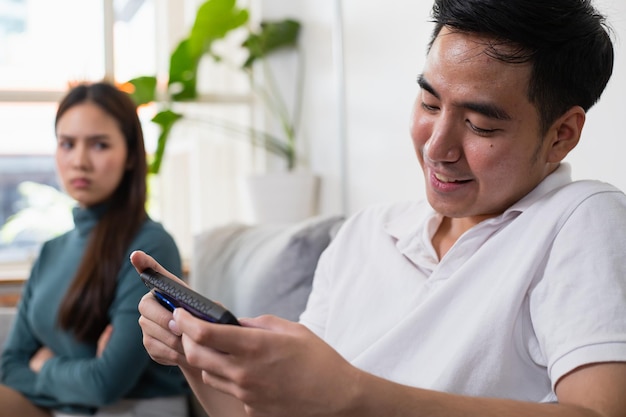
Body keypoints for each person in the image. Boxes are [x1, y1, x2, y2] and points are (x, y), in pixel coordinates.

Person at [131, 0, 626, 416]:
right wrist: (195, 356)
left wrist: (352, 393)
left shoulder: (581, 218)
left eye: (480, 125)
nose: (437, 148)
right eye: (430, 105)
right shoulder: (367, 232)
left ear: (562, 134)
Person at [0, 81, 190, 417]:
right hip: (67, 408)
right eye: (67, 144)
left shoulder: (149, 245)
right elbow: (10, 366)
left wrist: (45, 367)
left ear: (131, 155)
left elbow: (106, 383)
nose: (79, 161)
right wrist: (77, 376)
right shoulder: (51, 251)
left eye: (99, 145)